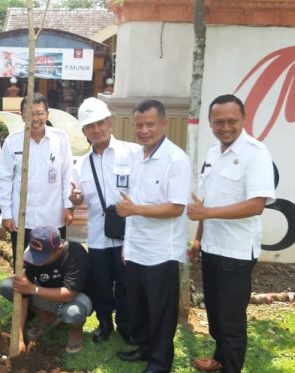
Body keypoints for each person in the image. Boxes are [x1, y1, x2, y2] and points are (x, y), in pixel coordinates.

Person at [187, 94, 275, 373]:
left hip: (236, 252)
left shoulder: (256, 153)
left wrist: (206, 215)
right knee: (214, 313)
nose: (225, 127)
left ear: (243, 119)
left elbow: (257, 204)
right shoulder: (214, 153)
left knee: (231, 320)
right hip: (212, 247)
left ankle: (230, 367)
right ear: (211, 123)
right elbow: (207, 202)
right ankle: (219, 358)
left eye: (231, 121)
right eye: (218, 122)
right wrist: (198, 238)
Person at [114, 100, 190, 373]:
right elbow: (131, 201)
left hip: (162, 251)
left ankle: (160, 362)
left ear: (163, 124)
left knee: (161, 311)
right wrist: (128, 244)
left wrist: (135, 210)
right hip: (137, 249)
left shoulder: (176, 159)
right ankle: (143, 348)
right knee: (140, 306)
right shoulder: (136, 156)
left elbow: (176, 207)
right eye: (139, 125)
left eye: (150, 124)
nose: (144, 130)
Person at [69, 97, 139, 345]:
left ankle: (127, 326)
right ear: (84, 131)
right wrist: (75, 198)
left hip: (128, 236)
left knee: (125, 283)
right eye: (90, 126)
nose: (96, 129)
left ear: (111, 123)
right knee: (101, 283)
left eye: (100, 123)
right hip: (98, 235)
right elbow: (75, 198)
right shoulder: (81, 164)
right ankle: (104, 324)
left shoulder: (132, 153)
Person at [0, 93, 74, 261]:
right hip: (23, 218)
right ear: (22, 115)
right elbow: (4, 180)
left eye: (39, 112)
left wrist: (68, 206)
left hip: (54, 216)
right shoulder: (12, 142)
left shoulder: (60, 139)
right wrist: (6, 213)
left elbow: (68, 174)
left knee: (55, 263)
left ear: (47, 114)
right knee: (23, 263)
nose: (35, 118)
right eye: (29, 113)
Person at [0, 226, 92, 354]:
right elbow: (23, 296)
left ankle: (75, 331)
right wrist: (18, 337)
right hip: (46, 292)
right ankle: (46, 316)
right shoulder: (31, 253)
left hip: (75, 297)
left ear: (58, 248)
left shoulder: (75, 253)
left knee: (72, 314)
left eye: (43, 256)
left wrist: (32, 289)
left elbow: (69, 295)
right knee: (8, 286)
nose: (36, 261)